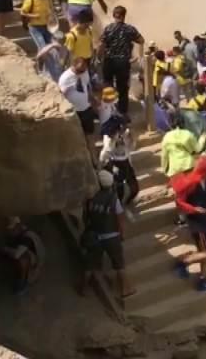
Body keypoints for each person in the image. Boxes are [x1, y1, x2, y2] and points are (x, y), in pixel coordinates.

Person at [170, 156, 206, 292]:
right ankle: (183, 262)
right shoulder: (190, 182)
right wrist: (194, 209)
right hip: (198, 223)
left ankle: (203, 279)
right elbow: (179, 201)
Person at [78, 170, 133, 299]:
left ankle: (83, 289)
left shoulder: (89, 198)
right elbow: (119, 219)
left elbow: (85, 218)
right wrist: (122, 234)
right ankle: (125, 290)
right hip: (111, 237)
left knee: (89, 266)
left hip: (95, 236)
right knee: (119, 264)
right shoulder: (113, 199)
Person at [97, 6, 145, 115]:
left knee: (108, 84)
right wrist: (138, 56)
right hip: (123, 62)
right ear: (124, 16)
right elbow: (141, 40)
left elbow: (101, 45)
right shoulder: (130, 29)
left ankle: (108, 109)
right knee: (122, 87)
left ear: (114, 15)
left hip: (109, 60)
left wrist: (99, 58)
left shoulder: (108, 28)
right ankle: (122, 111)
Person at [59, 56, 99, 140]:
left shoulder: (84, 72)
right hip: (75, 111)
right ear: (73, 66)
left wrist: (93, 99)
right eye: (79, 71)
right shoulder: (65, 78)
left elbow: (87, 87)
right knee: (78, 134)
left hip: (86, 107)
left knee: (90, 131)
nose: (81, 74)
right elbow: (61, 95)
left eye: (83, 71)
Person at [2, 217, 45, 295]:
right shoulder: (20, 233)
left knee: (22, 255)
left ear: (18, 226)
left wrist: (5, 249)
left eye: (12, 230)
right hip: (33, 260)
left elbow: (17, 254)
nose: (10, 232)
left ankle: (23, 282)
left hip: (37, 265)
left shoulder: (27, 237)